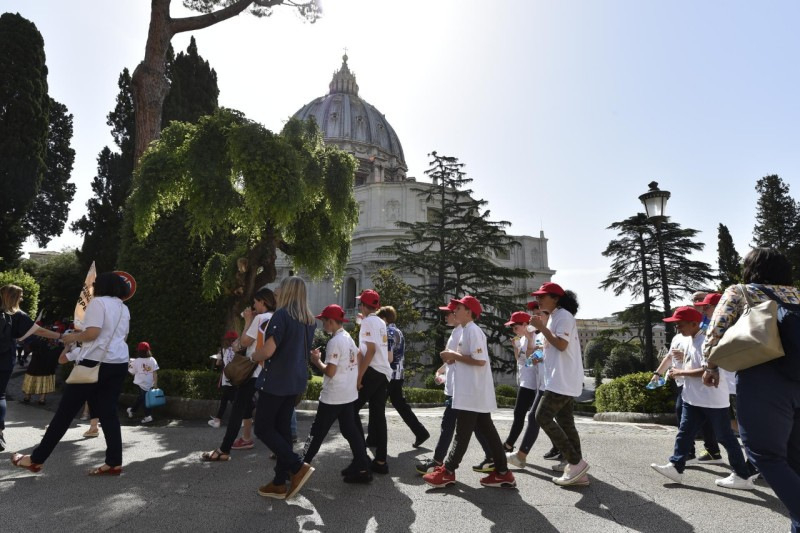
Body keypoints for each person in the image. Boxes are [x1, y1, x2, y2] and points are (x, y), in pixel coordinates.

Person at [702, 248, 800, 530]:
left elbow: (716, 331)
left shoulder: (742, 291)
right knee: (795, 461)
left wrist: (711, 366)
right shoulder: (796, 294)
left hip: (763, 378)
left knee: (765, 455)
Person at [10, 272, 131, 474]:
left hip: (94, 361)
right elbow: (123, 337)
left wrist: (72, 337)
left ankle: (35, 459)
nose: (92, 287)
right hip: (118, 362)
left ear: (102, 286)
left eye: (95, 285)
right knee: (109, 413)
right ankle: (114, 462)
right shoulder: (123, 307)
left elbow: (92, 333)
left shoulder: (98, 303)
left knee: (65, 413)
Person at [650, 306, 754, 490]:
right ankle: (676, 466)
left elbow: (710, 370)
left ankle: (743, 476)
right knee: (684, 433)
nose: (677, 328)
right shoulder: (688, 339)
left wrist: (680, 372)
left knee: (725, 437)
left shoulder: (706, 341)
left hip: (712, 400)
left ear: (693, 324)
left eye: (680, 324)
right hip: (693, 398)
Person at [422, 296, 516, 489]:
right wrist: (453, 359)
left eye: (459, 308)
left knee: (462, 433)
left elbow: (480, 360)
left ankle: (448, 471)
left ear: (469, 312)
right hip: (471, 391)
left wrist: (453, 356)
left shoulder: (473, 330)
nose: (454, 311)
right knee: (488, 433)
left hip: (472, 392)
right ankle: (503, 472)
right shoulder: (466, 331)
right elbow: (469, 359)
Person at [251, 277, 316, 500]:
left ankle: (297, 466)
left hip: (276, 380)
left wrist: (254, 355)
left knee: (262, 427)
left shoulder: (281, 315)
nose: (276, 290)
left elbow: (268, 351)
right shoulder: (309, 320)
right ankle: (279, 482)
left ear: (287, 291)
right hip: (295, 381)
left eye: (280, 288)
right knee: (282, 430)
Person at [416, 299, 494, 475]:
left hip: (460, 390)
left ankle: (440, 463)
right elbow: (455, 358)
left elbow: (474, 359)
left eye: (451, 311)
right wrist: (444, 367)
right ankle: (494, 459)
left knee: (452, 427)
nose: (447, 315)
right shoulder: (461, 331)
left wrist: (451, 359)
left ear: (465, 313)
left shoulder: (467, 331)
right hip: (458, 388)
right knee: (478, 426)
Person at [202, 288, 276, 461]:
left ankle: (224, 449)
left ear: (263, 302)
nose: (253, 306)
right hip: (271, 370)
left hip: (254, 370)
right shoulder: (276, 318)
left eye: (255, 302)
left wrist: (248, 320)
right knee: (273, 410)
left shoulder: (259, 318)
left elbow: (244, 342)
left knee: (238, 409)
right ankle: (280, 449)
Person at [527, 282, 589, 487]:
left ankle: (575, 462)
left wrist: (542, 328)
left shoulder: (563, 316)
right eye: (537, 296)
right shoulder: (556, 316)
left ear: (556, 298)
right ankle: (577, 469)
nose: (538, 300)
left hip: (562, 380)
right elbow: (554, 347)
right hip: (562, 378)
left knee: (541, 416)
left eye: (542, 296)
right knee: (566, 422)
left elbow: (561, 345)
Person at [302, 304, 372, 483]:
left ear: (332, 322)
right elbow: (357, 357)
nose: (323, 324)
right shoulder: (348, 337)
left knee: (316, 432)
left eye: (324, 321)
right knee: (350, 430)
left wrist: (316, 361)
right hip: (348, 394)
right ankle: (363, 466)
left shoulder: (334, 342)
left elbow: (330, 371)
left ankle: (300, 467)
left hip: (333, 396)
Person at [1, 284, 63, 452]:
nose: (22, 299)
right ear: (14, 297)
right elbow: (39, 331)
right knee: (0, 395)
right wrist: (61, 336)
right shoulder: (18, 315)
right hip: (4, 358)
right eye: (20, 296)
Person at [377, 305, 430, 448]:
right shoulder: (398, 331)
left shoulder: (387, 332)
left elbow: (389, 357)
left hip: (389, 375)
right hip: (398, 374)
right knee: (400, 405)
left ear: (384, 318)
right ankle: (421, 432)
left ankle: (374, 438)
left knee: (378, 406)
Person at [352, 289, 392, 474]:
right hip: (383, 372)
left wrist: (359, 376)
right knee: (378, 415)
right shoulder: (380, 322)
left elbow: (371, 350)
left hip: (372, 371)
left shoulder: (368, 322)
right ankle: (381, 460)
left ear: (363, 305)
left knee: (351, 410)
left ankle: (361, 456)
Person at [21, 328, 62, 405]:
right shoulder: (54, 344)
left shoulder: (38, 341)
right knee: (44, 381)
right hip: (47, 367)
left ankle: (28, 397)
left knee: (31, 380)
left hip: (35, 366)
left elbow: (30, 347)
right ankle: (41, 399)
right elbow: (58, 354)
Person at [208, 331, 239, 429]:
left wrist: (221, 357)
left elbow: (218, 363)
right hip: (237, 377)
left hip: (226, 378)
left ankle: (242, 418)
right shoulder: (239, 350)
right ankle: (218, 419)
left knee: (230, 400)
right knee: (227, 399)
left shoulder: (223, 350)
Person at [126, 341, 159, 424]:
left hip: (140, 383)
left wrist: (129, 364)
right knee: (144, 398)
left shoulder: (136, 361)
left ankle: (146, 415)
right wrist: (155, 385)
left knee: (143, 398)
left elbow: (132, 373)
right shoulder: (152, 359)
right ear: (148, 350)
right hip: (150, 383)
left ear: (139, 351)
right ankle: (135, 411)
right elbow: (155, 373)